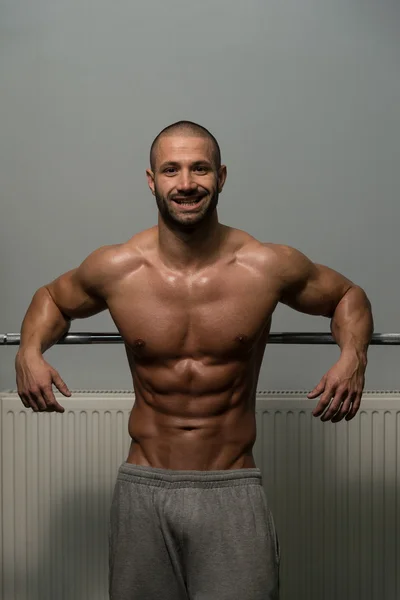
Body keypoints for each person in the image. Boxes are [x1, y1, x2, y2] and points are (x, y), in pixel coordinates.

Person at [15, 121, 373, 599]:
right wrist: (28, 350)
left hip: (231, 485)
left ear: (221, 177)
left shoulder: (266, 265)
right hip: (143, 485)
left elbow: (348, 295)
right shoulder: (117, 267)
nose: (186, 184)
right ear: (152, 180)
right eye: (172, 170)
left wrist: (353, 355)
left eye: (199, 168)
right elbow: (52, 299)